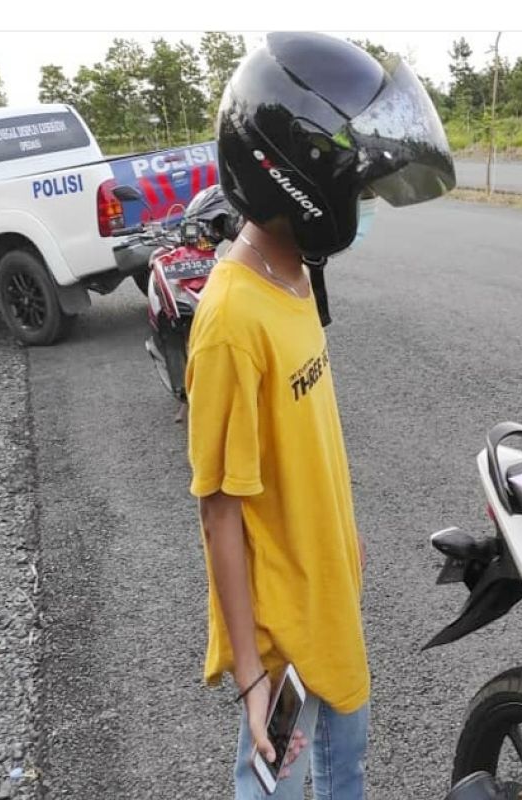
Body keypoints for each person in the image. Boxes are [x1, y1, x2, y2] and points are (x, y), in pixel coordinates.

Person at [186, 32, 455, 800]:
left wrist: (343, 535)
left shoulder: (296, 272)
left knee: (347, 774)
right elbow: (220, 510)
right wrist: (250, 679)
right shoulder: (232, 322)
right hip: (282, 634)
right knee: (274, 781)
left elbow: (306, 440)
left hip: (329, 586)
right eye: (356, 189)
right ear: (298, 179)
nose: (363, 205)